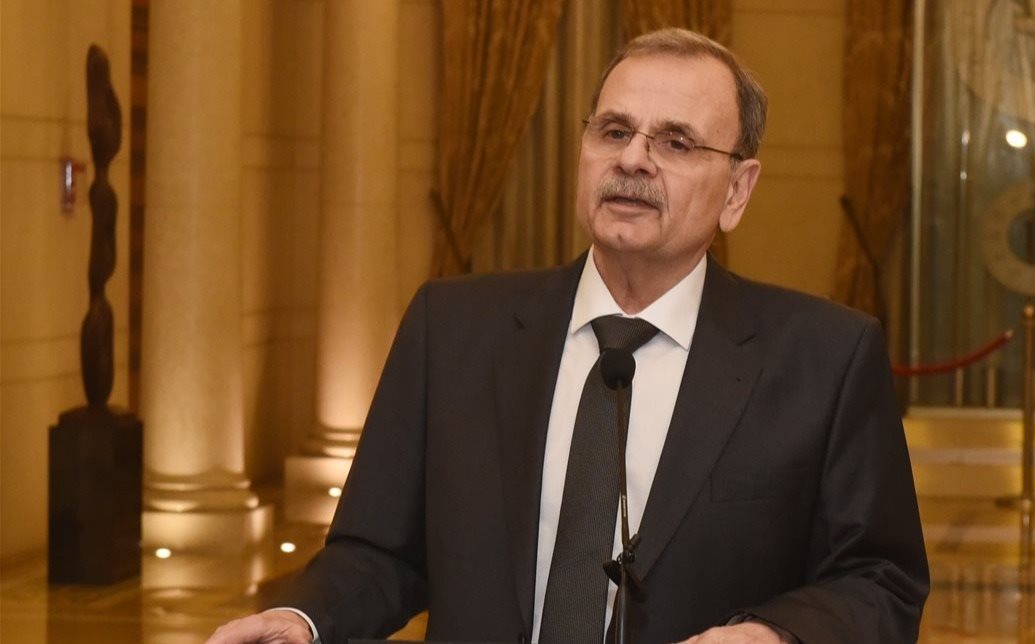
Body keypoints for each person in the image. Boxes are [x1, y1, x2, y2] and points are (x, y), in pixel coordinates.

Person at [207, 27, 927, 644]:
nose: (633, 159)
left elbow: (881, 579)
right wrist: (304, 618)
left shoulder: (826, 360)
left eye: (676, 142)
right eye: (613, 131)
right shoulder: (451, 331)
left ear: (737, 190)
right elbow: (379, 553)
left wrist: (774, 633)